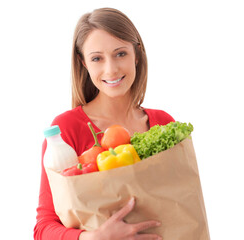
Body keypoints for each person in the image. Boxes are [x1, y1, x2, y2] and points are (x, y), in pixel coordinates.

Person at [34, 7, 174, 240]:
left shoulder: (163, 123)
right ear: (84, 63)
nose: (111, 69)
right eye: (97, 58)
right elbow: (43, 228)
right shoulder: (66, 130)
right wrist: (93, 238)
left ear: (136, 54)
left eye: (120, 54)